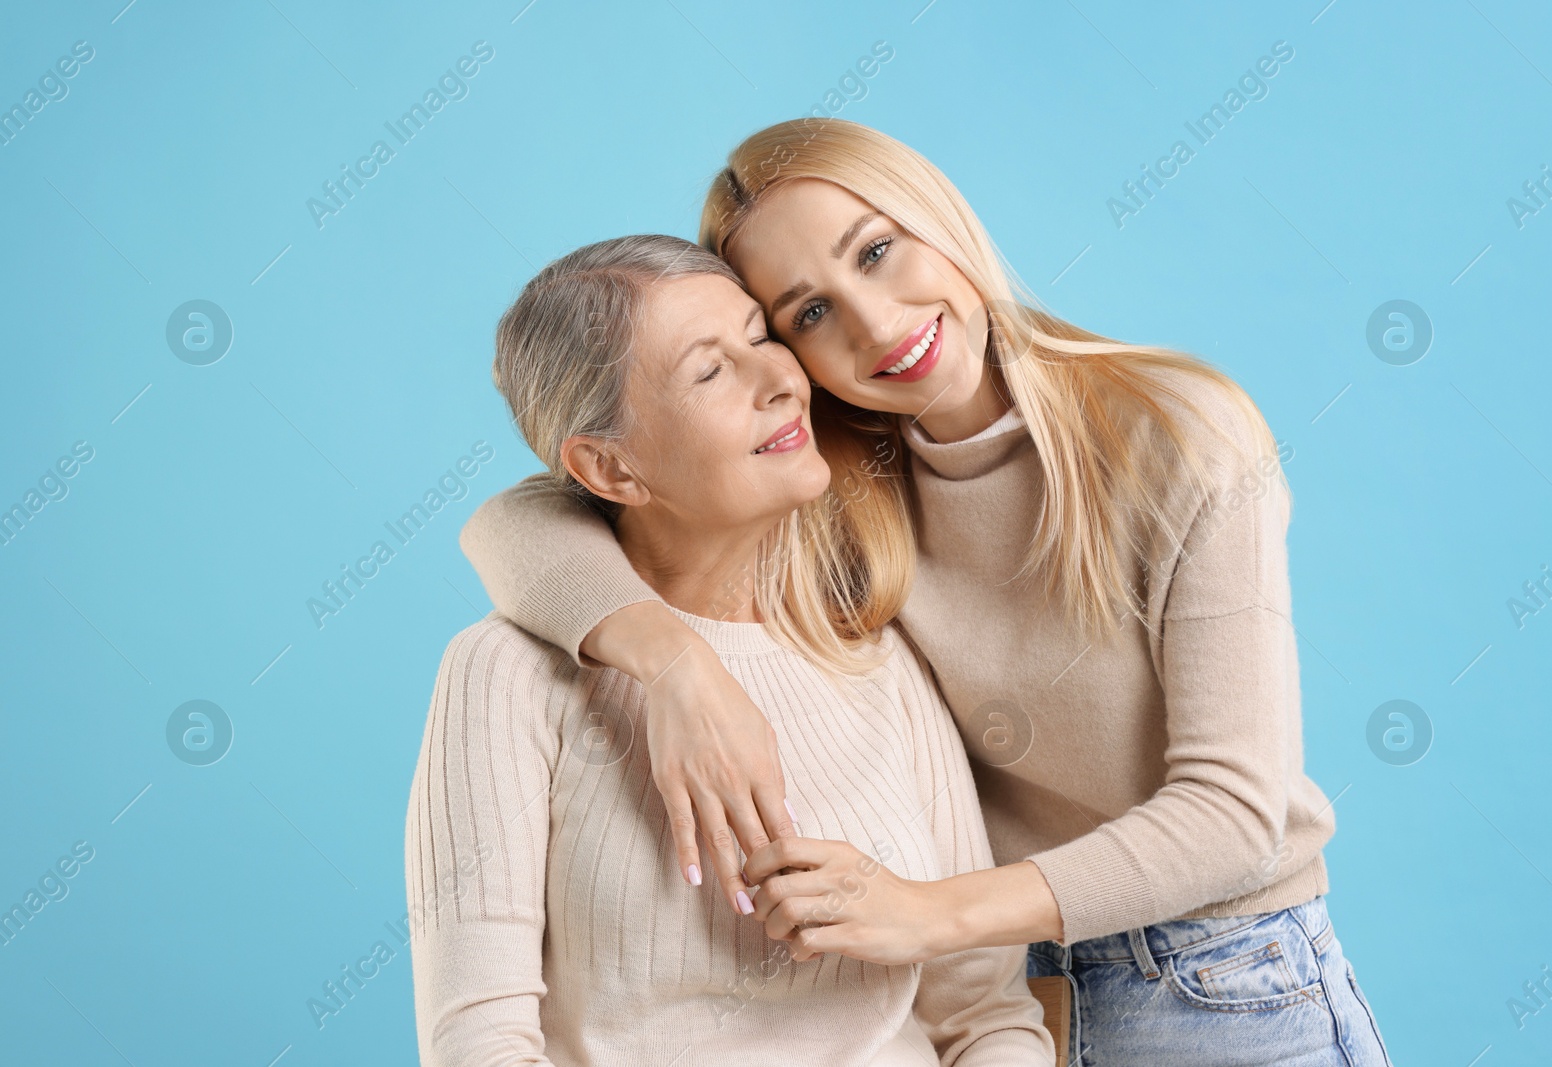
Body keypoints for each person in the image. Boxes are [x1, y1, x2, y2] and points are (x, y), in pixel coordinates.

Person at [456, 119, 1393, 1063]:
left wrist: (922, 913)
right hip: (1027, 987)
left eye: (876, 250)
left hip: (1218, 981)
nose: (873, 321)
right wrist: (673, 663)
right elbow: (522, 518)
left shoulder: (1174, 433)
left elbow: (1235, 815)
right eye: (807, 314)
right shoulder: (836, 478)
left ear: (934, 211)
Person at [403, 233, 1054, 1066]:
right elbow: (479, 1044)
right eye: (711, 371)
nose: (782, 379)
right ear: (609, 467)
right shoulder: (506, 676)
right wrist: (673, 662)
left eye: (760, 337)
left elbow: (987, 1016)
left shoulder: (873, 655)